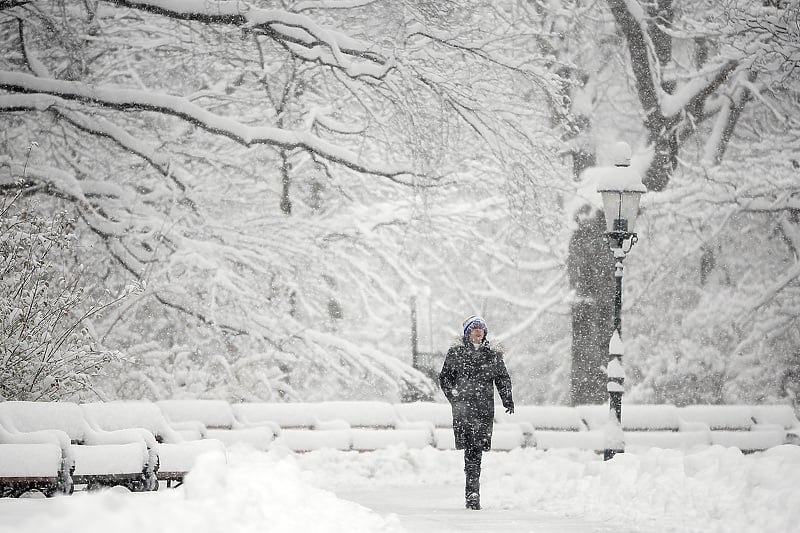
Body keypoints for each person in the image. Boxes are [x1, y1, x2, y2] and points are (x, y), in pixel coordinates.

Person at [438, 315, 514, 510]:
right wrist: (454, 397)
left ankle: (473, 491)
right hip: (463, 410)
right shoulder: (456, 353)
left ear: (485, 333)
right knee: (470, 450)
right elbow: (445, 377)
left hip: (483, 410)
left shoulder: (492, 355)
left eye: (481, 329)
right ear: (467, 332)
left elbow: (502, 378)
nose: (478, 331)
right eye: (474, 328)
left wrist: (507, 399)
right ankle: (472, 491)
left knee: (476, 451)